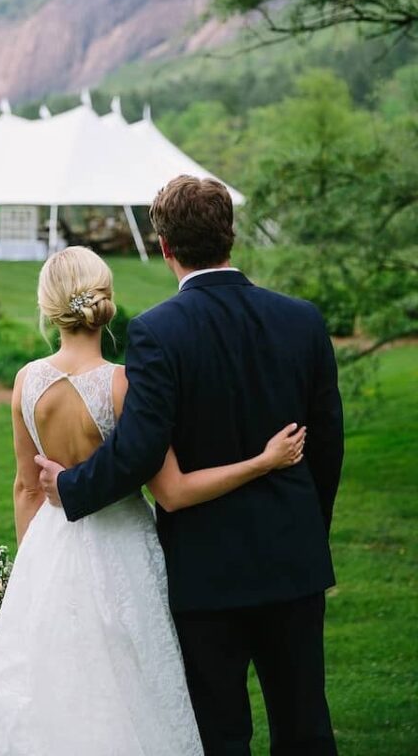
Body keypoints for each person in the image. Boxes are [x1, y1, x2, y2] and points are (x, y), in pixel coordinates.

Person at [37, 176, 344, 756]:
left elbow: (139, 451)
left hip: (207, 571)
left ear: (164, 247)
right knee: (305, 728)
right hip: (293, 561)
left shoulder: (158, 331)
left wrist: (69, 485)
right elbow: (327, 448)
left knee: (221, 734)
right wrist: (308, 531)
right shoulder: (302, 320)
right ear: (231, 235)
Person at [0, 244, 306, 756]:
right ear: (106, 301)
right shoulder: (123, 385)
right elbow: (171, 488)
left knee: (52, 686)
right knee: (133, 678)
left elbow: (26, 487)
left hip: (50, 549)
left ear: (47, 305)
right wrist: (263, 461)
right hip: (123, 547)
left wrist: (31, 577)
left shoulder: (26, 381)